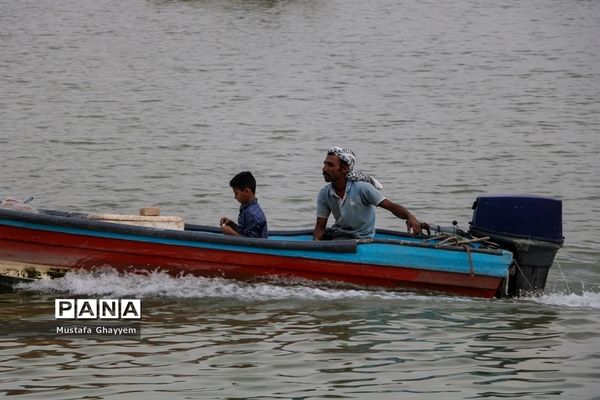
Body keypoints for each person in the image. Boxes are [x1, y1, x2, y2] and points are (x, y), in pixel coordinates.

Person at [313, 147, 422, 240]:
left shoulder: (362, 188)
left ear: (345, 169)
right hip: (339, 233)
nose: (324, 169)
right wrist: (315, 246)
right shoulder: (324, 193)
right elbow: (320, 227)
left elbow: (390, 206)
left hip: (360, 237)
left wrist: (410, 217)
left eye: (330, 165)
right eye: (325, 164)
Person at [220, 171, 268, 238]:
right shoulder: (249, 207)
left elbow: (251, 243)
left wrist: (230, 233)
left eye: (236, 193)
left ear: (247, 192)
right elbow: (245, 232)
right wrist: (232, 224)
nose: (235, 197)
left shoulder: (252, 214)